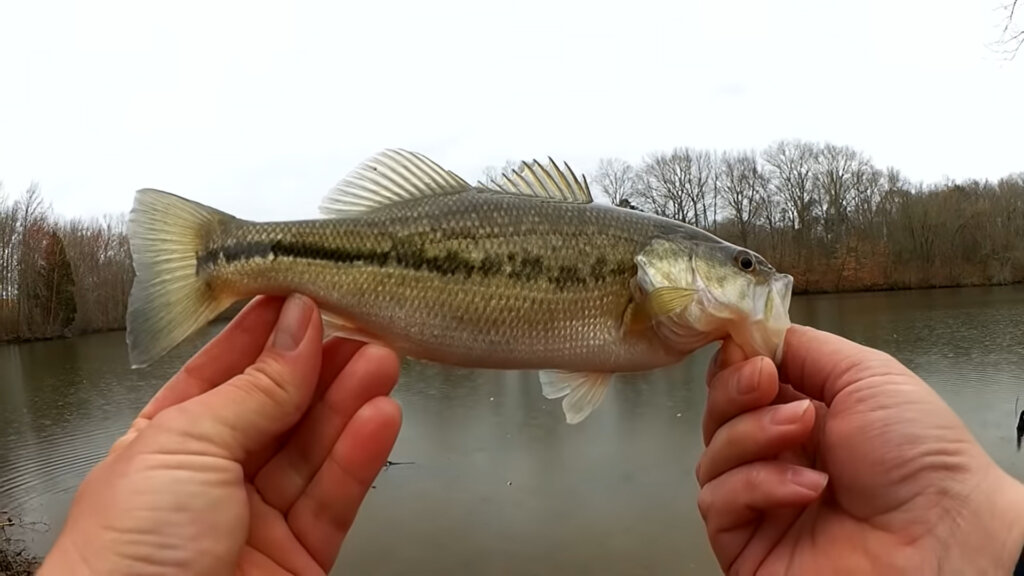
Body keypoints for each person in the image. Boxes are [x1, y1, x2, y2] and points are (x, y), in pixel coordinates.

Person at [36, 293, 1024, 574]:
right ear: (659, 274)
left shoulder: (650, 320)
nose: (754, 287)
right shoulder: (633, 304)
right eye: (730, 269)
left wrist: (963, 538)